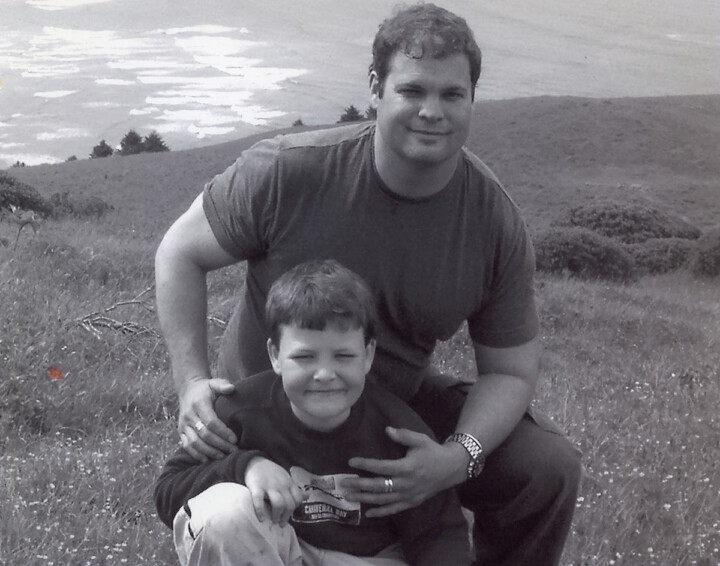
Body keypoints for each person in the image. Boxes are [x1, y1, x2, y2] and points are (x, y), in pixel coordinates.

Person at [154, 3, 582, 565]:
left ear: (473, 99)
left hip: (391, 410)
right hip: (267, 412)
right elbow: (179, 252)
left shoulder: (492, 220)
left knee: (547, 466)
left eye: (453, 94)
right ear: (376, 88)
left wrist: (458, 456)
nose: (432, 111)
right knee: (227, 516)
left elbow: (509, 370)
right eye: (413, 90)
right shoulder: (289, 171)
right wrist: (192, 382)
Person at [155, 259, 472, 565]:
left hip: (366, 558)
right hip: (276, 550)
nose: (324, 374)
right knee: (224, 513)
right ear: (276, 355)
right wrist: (245, 466)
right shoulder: (239, 412)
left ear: (368, 355)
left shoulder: (399, 430)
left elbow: (440, 534)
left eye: (344, 356)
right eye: (305, 357)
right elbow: (169, 490)